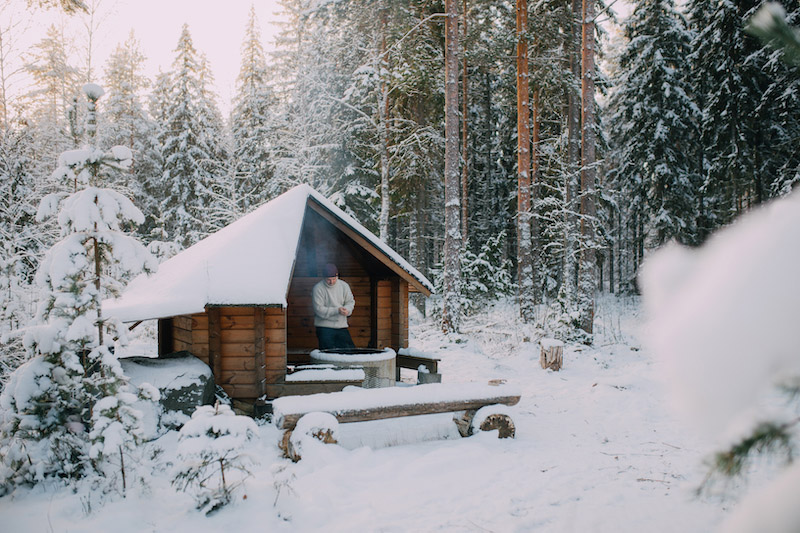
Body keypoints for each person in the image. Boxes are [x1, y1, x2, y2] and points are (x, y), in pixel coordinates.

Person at [312, 262, 356, 350]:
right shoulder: (318, 288)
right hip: (324, 327)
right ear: (324, 278)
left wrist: (347, 310)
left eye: (334, 279)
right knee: (327, 353)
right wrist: (337, 310)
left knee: (349, 351)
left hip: (341, 326)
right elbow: (318, 309)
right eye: (328, 279)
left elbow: (350, 302)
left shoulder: (344, 286)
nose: (331, 282)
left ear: (337, 276)